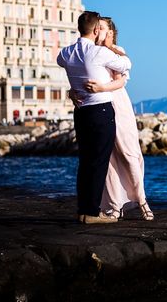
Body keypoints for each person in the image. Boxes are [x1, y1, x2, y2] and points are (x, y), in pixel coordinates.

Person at [57, 11, 131, 224]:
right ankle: (91, 213)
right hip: (101, 111)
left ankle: (83, 210)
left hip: (81, 113)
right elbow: (126, 64)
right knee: (99, 163)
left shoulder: (67, 53)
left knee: (85, 162)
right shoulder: (99, 53)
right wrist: (110, 46)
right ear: (97, 30)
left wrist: (75, 87)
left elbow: (61, 60)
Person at [83, 16, 154, 221]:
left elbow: (121, 81)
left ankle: (142, 200)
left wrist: (102, 87)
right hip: (98, 103)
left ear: (111, 32)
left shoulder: (117, 52)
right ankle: (115, 205)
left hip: (118, 104)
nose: (98, 31)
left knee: (129, 153)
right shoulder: (91, 53)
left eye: (102, 28)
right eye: (97, 28)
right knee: (108, 158)